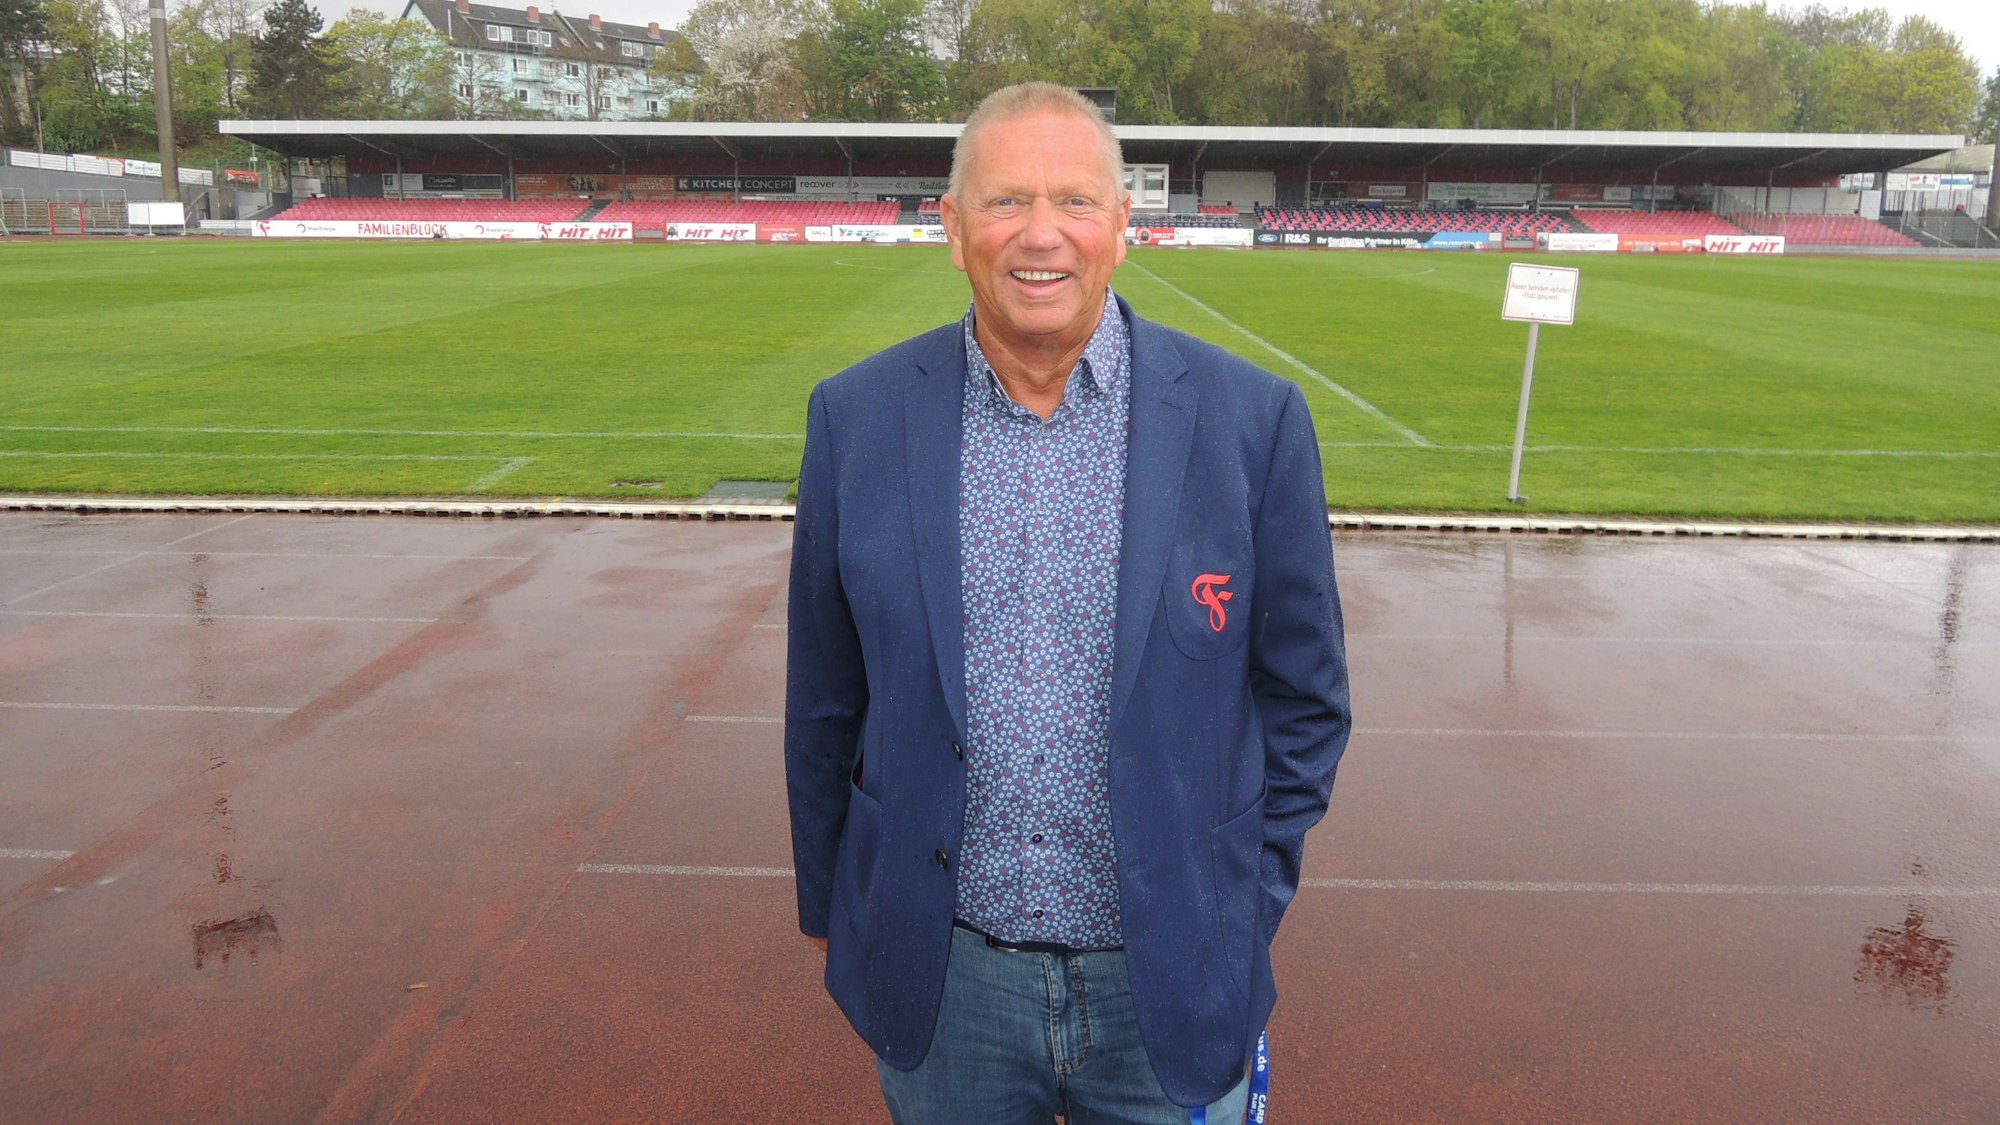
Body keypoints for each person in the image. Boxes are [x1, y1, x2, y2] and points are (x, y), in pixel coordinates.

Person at [785, 82, 1351, 1125]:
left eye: (1075, 203)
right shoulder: (854, 417)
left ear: (1123, 228)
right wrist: (836, 904)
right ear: (952, 229)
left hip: (1171, 971)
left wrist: (1240, 894)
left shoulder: (1251, 422)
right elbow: (825, 699)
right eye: (1003, 203)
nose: (1039, 235)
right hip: (947, 982)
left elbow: (1306, 697)